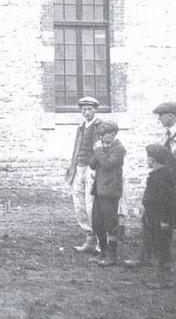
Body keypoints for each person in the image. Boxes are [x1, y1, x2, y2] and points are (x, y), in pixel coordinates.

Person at [132, 144, 176, 288]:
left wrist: (165, 220)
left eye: (148, 157)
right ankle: (161, 277)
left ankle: (165, 280)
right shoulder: (156, 174)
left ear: (153, 159)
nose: (147, 160)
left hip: (160, 217)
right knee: (157, 244)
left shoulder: (163, 176)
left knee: (162, 246)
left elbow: (165, 200)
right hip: (152, 215)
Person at [65, 96, 103, 254]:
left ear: (95, 110)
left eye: (90, 109)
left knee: (91, 204)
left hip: (91, 168)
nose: (86, 112)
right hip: (78, 167)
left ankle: (102, 242)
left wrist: (96, 168)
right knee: (79, 204)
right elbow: (76, 149)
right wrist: (72, 166)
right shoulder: (80, 127)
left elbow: (101, 150)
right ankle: (90, 238)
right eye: (84, 109)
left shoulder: (100, 127)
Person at [88, 121, 125, 266]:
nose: (102, 138)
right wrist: (97, 151)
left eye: (104, 135)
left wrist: (98, 151)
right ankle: (103, 253)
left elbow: (108, 164)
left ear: (113, 134)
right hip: (99, 190)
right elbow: (92, 164)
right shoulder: (102, 148)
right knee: (97, 223)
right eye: (100, 136)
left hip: (110, 191)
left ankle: (112, 256)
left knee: (111, 224)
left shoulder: (118, 148)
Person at [153, 101, 176, 268]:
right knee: (163, 221)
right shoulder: (167, 134)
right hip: (168, 185)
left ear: (171, 116)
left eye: (161, 115)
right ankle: (163, 260)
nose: (158, 119)